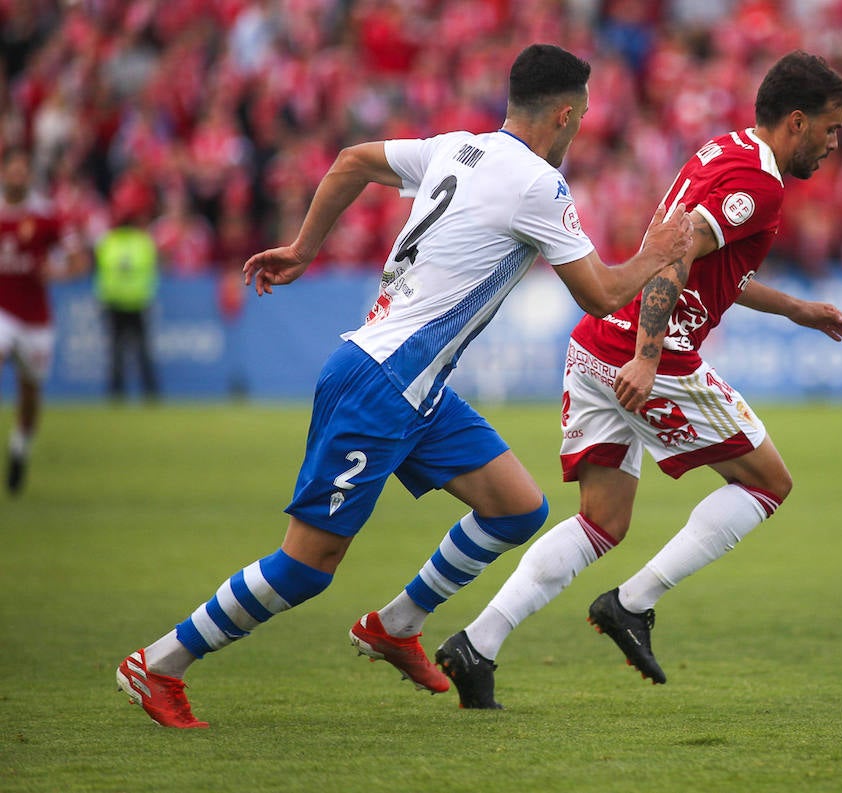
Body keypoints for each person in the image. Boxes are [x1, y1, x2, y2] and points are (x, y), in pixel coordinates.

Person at [115, 43, 693, 728]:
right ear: (565, 114)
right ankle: (158, 662)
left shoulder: (457, 147)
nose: (582, 127)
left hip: (414, 390)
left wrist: (304, 247)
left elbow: (351, 160)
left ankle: (394, 624)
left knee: (516, 508)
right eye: (584, 115)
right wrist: (658, 253)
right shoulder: (539, 183)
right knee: (305, 566)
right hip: (381, 382)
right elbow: (599, 295)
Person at [434, 50, 842, 709]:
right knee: (770, 484)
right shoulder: (763, 183)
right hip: (648, 356)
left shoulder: (727, 150)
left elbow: (714, 264)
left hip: (595, 346)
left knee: (602, 520)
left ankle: (477, 644)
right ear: (797, 123)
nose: (835, 144)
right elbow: (679, 251)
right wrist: (650, 354)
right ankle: (633, 602)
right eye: (831, 129)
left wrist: (796, 307)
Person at [0, 146, 88, 495]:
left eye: (24, 170)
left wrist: (59, 272)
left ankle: (20, 446)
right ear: (4, 173)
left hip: (36, 319)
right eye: (13, 170)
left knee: (30, 393)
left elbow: (79, 260)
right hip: (3, 312)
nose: (18, 176)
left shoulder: (47, 217)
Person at [94, 206, 160, 402]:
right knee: (142, 351)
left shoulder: (107, 242)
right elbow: (152, 269)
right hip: (138, 301)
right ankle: (150, 393)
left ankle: (116, 393)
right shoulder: (143, 242)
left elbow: (101, 271)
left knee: (116, 351)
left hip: (114, 301)